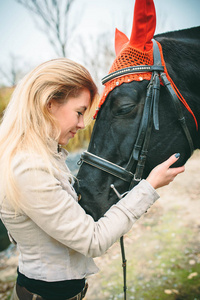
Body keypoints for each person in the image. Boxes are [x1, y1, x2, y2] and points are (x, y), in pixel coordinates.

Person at [0, 58, 184, 300]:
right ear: (49, 104)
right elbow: (92, 240)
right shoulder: (29, 169)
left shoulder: (40, 157)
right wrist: (148, 187)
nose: (80, 124)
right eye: (79, 112)